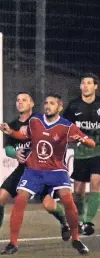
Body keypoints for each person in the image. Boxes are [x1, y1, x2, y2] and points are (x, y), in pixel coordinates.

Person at [0, 93, 95, 255]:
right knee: (20, 199)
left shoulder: (67, 126)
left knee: (68, 200)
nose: (47, 106)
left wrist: (82, 139)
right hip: (34, 170)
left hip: (56, 171)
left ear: (60, 107)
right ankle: (13, 243)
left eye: (52, 103)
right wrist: (10, 132)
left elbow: (91, 142)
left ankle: (76, 239)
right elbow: (24, 136)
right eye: (46, 103)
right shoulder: (36, 121)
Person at [0, 92, 70, 251]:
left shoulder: (40, 120)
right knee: (0, 199)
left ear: (32, 104)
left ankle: (64, 223)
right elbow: (8, 148)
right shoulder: (12, 125)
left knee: (49, 205)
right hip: (22, 170)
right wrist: (14, 153)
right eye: (17, 100)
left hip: (42, 171)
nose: (20, 103)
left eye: (24, 100)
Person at [63, 74, 100, 236]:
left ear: (95, 87)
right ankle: (79, 220)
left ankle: (89, 222)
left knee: (96, 181)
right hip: (80, 153)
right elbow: (64, 127)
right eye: (83, 83)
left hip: (98, 151)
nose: (85, 86)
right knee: (78, 190)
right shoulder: (73, 106)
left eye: (89, 83)